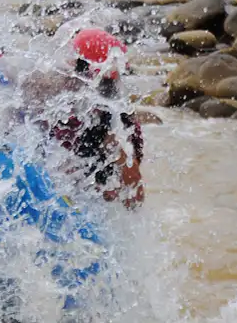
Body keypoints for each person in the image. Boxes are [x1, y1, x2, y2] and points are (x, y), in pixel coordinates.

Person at [21, 28, 145, 209]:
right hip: (80, 174)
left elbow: (133, 179)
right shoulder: (66, 97)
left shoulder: (108, 119)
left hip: (94, 185)